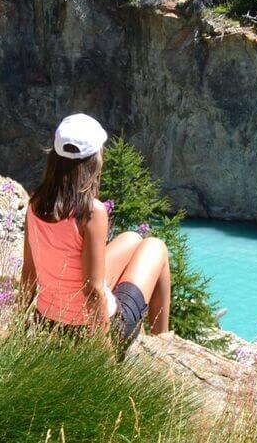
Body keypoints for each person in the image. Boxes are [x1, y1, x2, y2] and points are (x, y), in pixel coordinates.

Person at [21, 114, 171, 344]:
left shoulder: (36, 204)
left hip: (48, 321)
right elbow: (92, 289)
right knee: (155, 247)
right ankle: (162, 342)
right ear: (95, 159)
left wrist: (19, 324)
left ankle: (159, 339)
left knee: (131, 238)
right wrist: (104, 355)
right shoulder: (91, 212)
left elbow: (29, 273)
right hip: (92, 331)